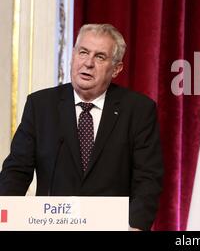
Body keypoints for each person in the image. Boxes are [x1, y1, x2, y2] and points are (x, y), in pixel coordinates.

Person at [0, 24, 164, 230]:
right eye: (83, 52)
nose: (88, 63)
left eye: (100, 57)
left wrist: (136, 225)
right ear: (73, 55)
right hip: (52, 224)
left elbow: (148, 177)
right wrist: (4, 215)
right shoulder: (41, 105)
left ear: (116, 69)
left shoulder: (138, 110)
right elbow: (16, 170)